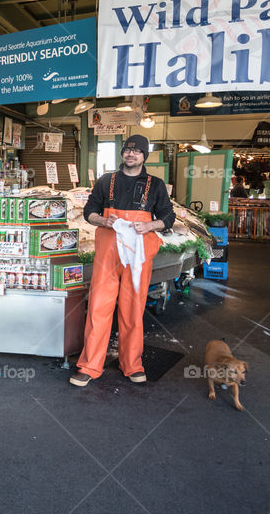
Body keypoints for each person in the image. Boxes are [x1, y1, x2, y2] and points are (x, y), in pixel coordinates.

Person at [70, 135, 174, 387]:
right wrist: (103, 221)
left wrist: (150, 224)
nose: (131, 154)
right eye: (127, 150)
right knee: (98, 307)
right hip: (108, 252)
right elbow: (89, 212)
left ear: (144, 156)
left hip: (138, 255)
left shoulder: (156, 184)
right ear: (122, 153)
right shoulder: (106, 181)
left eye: (137, 151)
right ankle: (90, 365)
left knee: (133, 309)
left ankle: (132, 363)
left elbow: (168, 217)